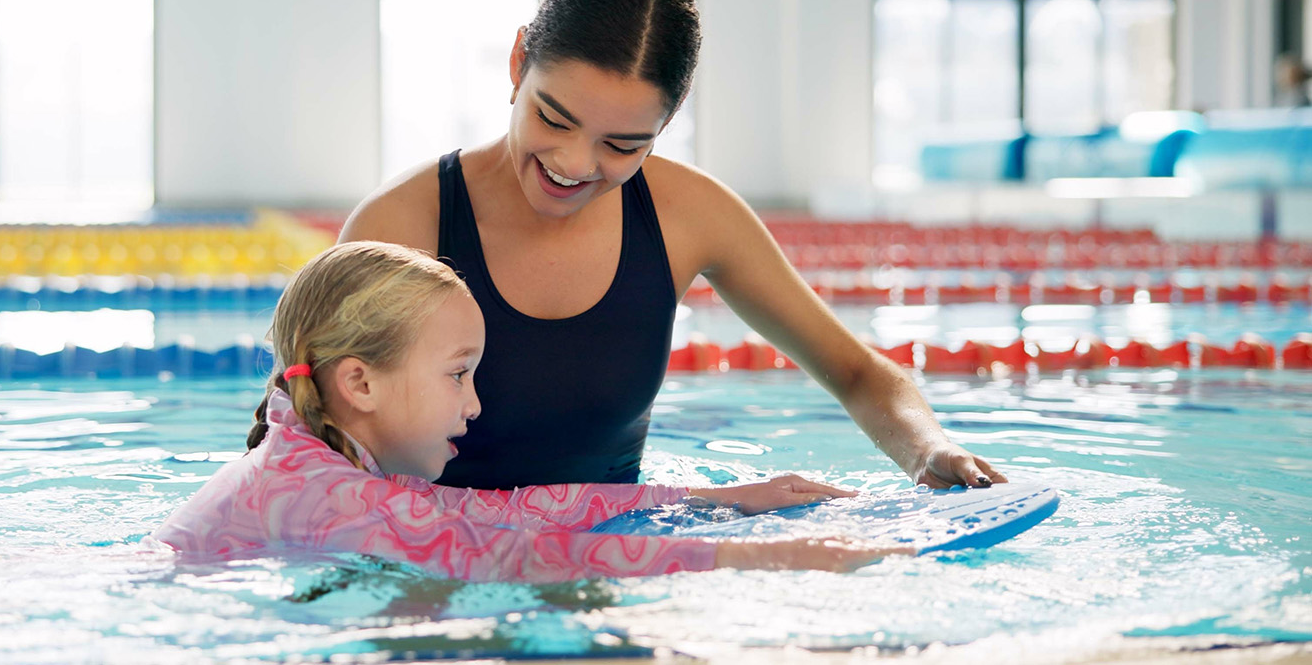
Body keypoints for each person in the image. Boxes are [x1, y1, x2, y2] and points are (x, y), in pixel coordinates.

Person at [339, 0, 1005, 491]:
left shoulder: (689, 215)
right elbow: (313, 451)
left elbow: (858, 373)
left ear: (669, 119)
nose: (574, 164)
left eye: (622, 144)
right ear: (518, 64)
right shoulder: (403, 224)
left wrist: (929, 449)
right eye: (553, 117)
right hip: (430, 576)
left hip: (612, 568)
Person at [148, 241, 911, 582]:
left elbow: (510, 514)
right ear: (362, 383)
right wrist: (765, 557)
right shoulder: (333, 493)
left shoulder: (318, 464)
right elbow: (526, 558)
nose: (476, 404)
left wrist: (719, 502)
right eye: (458, 375)